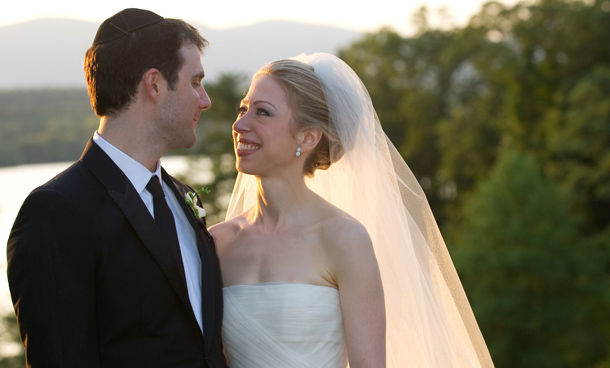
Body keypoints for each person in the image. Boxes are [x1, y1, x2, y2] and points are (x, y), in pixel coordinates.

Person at [210, 53, 495, 367]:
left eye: (262, 112)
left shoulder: (344, 239)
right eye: (243, 109)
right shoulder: (217, 243)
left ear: (306, 138)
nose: (240, 124)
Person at [6, 8, 227, 367]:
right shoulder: (57, 211)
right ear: (154, 84)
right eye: (195, 81)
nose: (205, 100)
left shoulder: (184, 198)